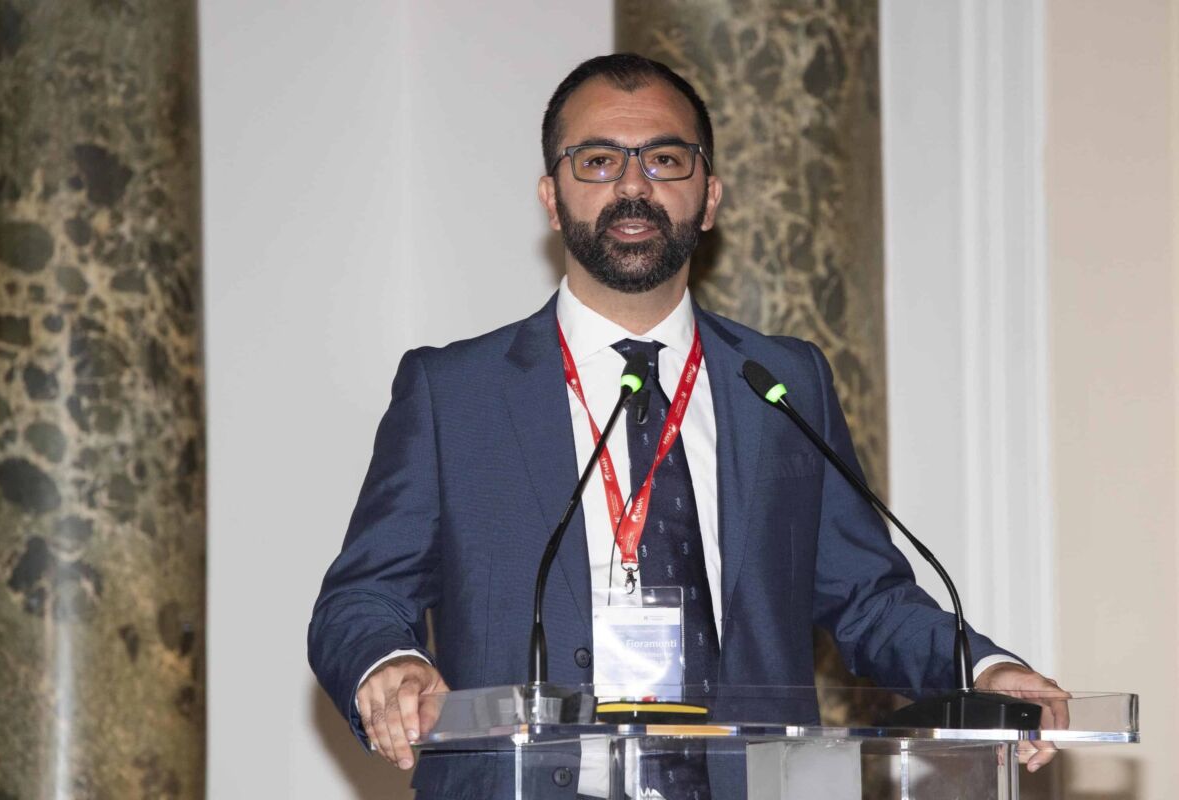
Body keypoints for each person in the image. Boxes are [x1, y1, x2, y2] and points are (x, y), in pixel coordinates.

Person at [308, 53, 1066, 797]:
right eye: (598, 160)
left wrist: (986, 672)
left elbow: (868, 596)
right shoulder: (454, 393)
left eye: (665, 159)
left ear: (709, 197)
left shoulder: (782, 382)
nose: (633, 185)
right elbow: (361, 598)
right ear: (551, 196)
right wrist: (388, 663)